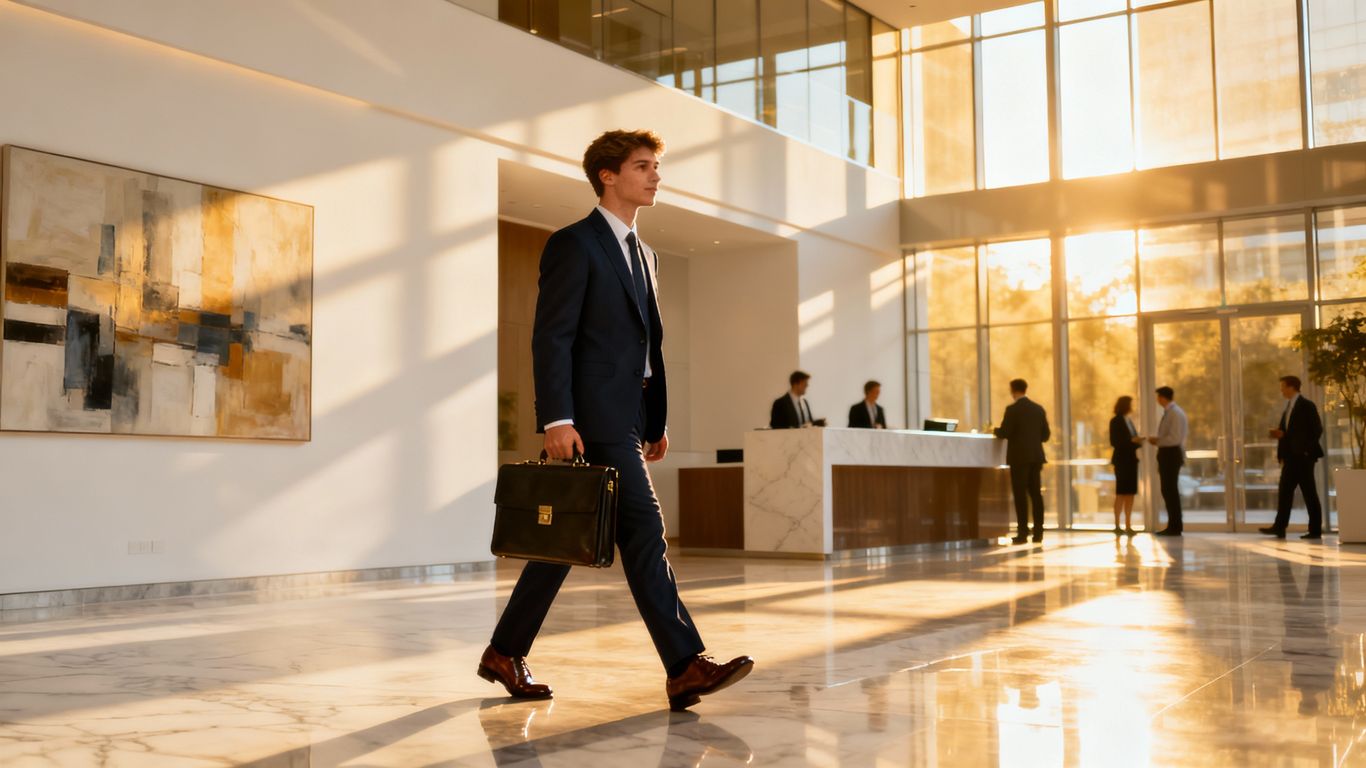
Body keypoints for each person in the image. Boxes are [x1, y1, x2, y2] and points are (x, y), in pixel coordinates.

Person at [478, 130, 752, 712]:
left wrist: (653, 420)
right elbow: (552, 337)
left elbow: (646, 347)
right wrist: (557, 418)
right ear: (608, 175)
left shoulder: (646, 254)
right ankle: (684, 665)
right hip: (590, 416)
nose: (656, 176)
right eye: (643, 166)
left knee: (568, 536)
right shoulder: (574, 244)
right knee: (646, 530)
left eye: (656, 167)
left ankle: (504, 652)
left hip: (628, 416)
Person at [1260, 375, 1325, 540]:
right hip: (1290, 458)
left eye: (1283, 386)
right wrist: (1280, 437)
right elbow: (1289, 432)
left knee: (1309, 493)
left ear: (1291, 387)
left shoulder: (1307, 405)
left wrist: (1305, 450)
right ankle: (1279, 527)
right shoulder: (1288, 407)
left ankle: (1315, 530)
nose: (1281, 390)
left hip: (1303, 458)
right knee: (1285, 492)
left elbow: (1317, 429)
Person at [994, 379, 1050, 544]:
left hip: (1019, 458)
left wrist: (994, 430)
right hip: (1036, 457)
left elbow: (1005, 432)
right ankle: (1038, 533)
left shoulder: (1012, 410)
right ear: (1025, 389)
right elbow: (1046, 435)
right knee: (1036, 495)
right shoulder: (1038, 409)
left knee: (1020, 496)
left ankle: (1023, 533)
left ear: (1013, 390)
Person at [1147, 386, 1187, 537]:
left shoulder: (1174, 413)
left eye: (1158, 397)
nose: (1157, 400)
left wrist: (1157, 441)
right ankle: (1174, 525)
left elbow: (1174, 438)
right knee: (1169, 490)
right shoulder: (1172, 412)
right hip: (1168, 455)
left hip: (1171, 455)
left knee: (1170, 491)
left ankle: (1174, 526)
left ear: (1163, 397)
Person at [1109, 395, 1142, 536]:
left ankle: (1128, 524)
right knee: (1121, 493)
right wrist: (1132, 441)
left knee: (1130, 493)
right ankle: (1117, 524)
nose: (1132, 407)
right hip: (1122, 461)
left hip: (1131, 461)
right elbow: (1115, 441)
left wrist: (1136, 441)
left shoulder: (1128, 421)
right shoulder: (1115, 421)